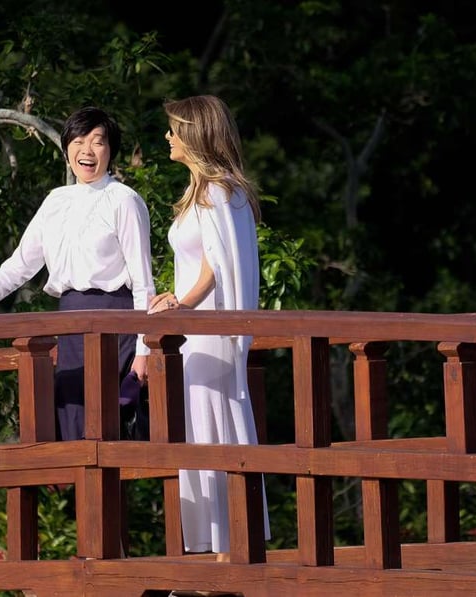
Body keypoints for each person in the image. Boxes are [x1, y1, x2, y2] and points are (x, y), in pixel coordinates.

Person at [0, 106, 155, 441]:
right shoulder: (56, 201)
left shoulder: (124, 200)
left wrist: (144, 352)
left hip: (116, 321)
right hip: (69, 322)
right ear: (67, 147)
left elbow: (143, 282)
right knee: (71, 424)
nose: (87, 151)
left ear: (111, 150)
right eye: (79, 141)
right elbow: (19, 265)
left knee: (103, 429)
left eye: (98, 142)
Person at [147, 95, 270, 555]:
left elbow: (217, 267)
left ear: (195, 135)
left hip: (212, 331)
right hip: (200, 332)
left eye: (174, 129)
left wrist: (182, 305)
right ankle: (213, 547)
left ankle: (228, 546)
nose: (167, 137)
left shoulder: (218, 190)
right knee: (201, 426)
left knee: (215, 423)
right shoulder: (208, 191)